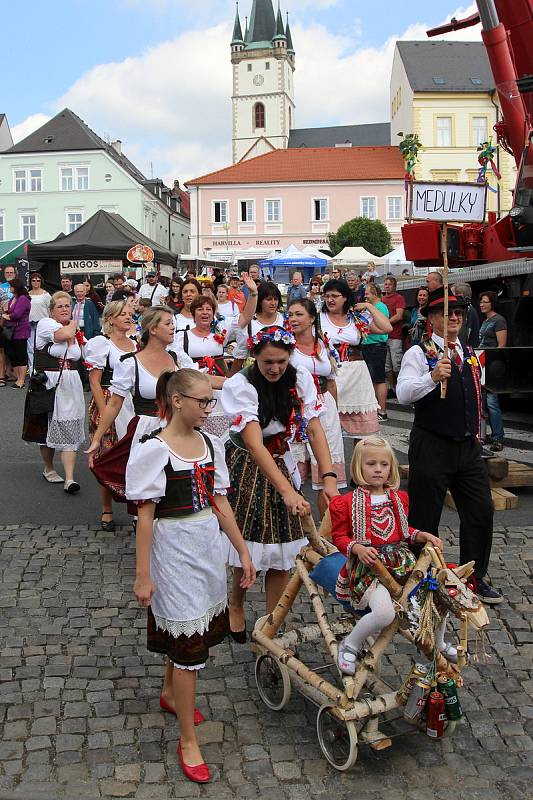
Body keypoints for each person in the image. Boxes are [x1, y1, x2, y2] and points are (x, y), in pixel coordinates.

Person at [127, 369, 255, 783]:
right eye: (202, 401)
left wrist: (241, 550)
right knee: (187, 646)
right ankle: (187, 741)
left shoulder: (212, 445)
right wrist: (142, 575)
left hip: (205, 546)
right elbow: (144, 519)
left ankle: (168, 694)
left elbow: (220, 504)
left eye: (210, 401)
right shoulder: (153, 449)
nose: (207, 408)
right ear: (177, 400)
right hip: (173, 547)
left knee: (195, 627)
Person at [221, 326, 339, 637]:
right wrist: (286, 491)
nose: (275, 369)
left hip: (281, 458)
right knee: (250, 541)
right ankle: (236, 601)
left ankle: (272, 624)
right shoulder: (240, 384)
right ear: (254, 357)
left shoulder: (299, 378)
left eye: (281, 362)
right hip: (247, 462)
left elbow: (313, 428)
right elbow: (255, 443)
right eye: (268, 362)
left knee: (285, 546)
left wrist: (329, 479)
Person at [396, 286, 502, 604]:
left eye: (458, 313)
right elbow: (402, 394)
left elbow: (475, 392)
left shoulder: (469, 351)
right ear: (432, 319)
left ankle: (473, 577)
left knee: (481, 511)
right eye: (447, 313)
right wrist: (431, 377)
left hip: (467, 447)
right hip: (432, 443)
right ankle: (420, 578)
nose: (454, 317)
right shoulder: (420, 352)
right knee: (424, 516)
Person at [330, 437, 444, 673]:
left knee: (437, 598)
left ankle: (440, 643)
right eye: (371, 464)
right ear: (358, 467)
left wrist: (422, 535)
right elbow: (339, 537)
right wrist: (358, 548)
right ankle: (349, 645)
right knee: (384, 613)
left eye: (384, 464)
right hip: (370, 570)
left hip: (402, 565)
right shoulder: (347, 503)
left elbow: (402, 532)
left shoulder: (398, 498)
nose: (378, 470)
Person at [173, 276, 258, 437]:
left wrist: (253, 293)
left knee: (223, 433)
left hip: (221, 391)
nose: (204, 312)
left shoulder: (221, 330)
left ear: (213, 312)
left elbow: (245, 317)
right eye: (200, 309)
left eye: (208, 309)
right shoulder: (182, 337)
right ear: (193, 314)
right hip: (195, 391)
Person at [287, 298, 347, 513]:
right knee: (296, 467)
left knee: (327, 471)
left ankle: (328, 530)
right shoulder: (285, 345)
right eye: (290, 314)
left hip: (324, 405)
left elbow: (331, 381)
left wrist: (336, 412)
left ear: (312, 317)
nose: (293, 319)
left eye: (299, 314)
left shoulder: (324, 344)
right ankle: (298, 529)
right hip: (296, 407)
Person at [85, 300, 137, 531]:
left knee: (135, 456)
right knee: (107, 455)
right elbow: (95, 382)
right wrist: (105, 412)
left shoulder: (136, 345)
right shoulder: (101, 344)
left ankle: (137, 508)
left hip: (133, 403)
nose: (128, 316)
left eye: (129, 313)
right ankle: (107, 509)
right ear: (111, 319)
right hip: (108, 400)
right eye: (122, 314)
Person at [319, 279, 391, 436]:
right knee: (328, 429)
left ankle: (361, 460)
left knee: (363, 433)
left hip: (356, 374)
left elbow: (387, 328)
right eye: (327, 296)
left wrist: (369, 306)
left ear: (345, 297)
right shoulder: (319, 318)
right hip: (330, 373)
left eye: (335, 296)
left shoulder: (356, 318)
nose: (330, 300)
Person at [33, 292, 85, 492]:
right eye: (60, 306)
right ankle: (49, 467)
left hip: (71, 383)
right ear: (51, 311)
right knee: (48, 426)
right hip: (49, 383)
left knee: (69, 424)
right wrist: (73, 325)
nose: (64, 309)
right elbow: (64, 335)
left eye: (67, 306)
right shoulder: (46, 324)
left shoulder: (70, 328)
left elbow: (79, 355)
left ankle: (70, 479)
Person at [229, 281, 284, 374]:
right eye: (269, 299)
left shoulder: (284, 320)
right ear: (260, 301)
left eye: (276, 299)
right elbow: (240, 355)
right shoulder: (249, 322)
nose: (273, 303)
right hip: (255, 373)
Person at [479, 291, 507, 452]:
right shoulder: (486, 321)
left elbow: (501, 345)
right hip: (482, 365)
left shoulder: (499, 320)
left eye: (485, 302)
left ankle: (498, 437)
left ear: (492, 303)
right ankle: (484, 435)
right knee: (482, 402)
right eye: (481, 302)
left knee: (492, 402)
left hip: (491, 367)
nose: (482, 304)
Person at [362, 283, 390, 420]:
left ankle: (382, 411)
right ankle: (375, 409)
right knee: (371, 379)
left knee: (379, 379)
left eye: (367, 293)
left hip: (377, 345)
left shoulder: (380, 307)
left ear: (375, 294)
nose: (365, 296)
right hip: (368, 344)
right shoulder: (372, 307)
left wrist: (366, 327)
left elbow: (381, 327)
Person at [2, 278, 31, 388]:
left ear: (16, 287)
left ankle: (21, 380)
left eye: (11, 286)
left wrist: (6, 316)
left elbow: (17, 314)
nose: (9, 288)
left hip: (21, 330)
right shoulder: (13, 299)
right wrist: (6, 312)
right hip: (11, 330)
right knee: (12, 353)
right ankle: (18, 377)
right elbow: (10, 311)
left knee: (21, 354)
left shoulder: (23, 299)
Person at [382, 276, 406, 396]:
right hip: (383, 336)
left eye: (389, 284)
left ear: (394, 286)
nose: (387, 286)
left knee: (397, 363)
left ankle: (401, 387)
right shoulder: (382, 299)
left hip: (395, 336)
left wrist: (385, 323)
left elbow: (399, 316)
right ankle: (392, 388)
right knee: (387, 366)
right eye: (385, 284)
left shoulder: (399, 298)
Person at [27, 273, 51, 372]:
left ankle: (42, 368)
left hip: (42, 324)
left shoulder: (46, 295)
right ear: (31, 282)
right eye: (33, 280)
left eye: (38, 280)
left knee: (42, 347)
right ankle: (32, 369)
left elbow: (50, 310)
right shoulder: (27, 294)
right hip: (30, 324)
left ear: (41, 281)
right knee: (30, 348)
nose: (36, 282)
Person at [453, 282, 480, 348]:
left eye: (452, 294)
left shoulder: (466, 311)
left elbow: (463, 336)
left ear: (460, 295)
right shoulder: (470, 309)